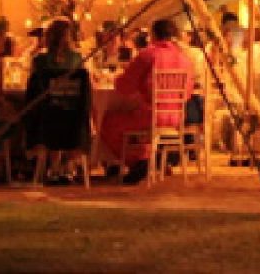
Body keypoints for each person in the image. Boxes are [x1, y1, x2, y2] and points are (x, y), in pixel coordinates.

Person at [101, 18, 198, 184]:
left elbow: (124, 86)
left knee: (108, 121)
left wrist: (119, 79)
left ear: (153, 35)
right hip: (176, 117)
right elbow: (188, 94)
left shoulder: (148, 55)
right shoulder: (185, 59)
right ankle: (145, 160)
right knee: (134, 122)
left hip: (150, 115)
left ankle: (139, 161)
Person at [22, 19, 92, 182]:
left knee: (49, 110)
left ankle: (53, 166)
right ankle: (68, 165)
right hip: (73, 118)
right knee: (66, 111)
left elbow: (33, 90)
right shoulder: (77, 58)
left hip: (47, 119)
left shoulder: (39, 60)